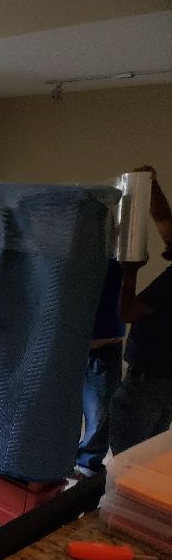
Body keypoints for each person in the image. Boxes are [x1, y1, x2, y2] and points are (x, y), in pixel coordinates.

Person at [111, 166, 172, 454]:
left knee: (127, 456)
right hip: (166, 380)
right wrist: (152, 187)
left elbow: (128, 312)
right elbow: (166, 222)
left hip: (148, 380)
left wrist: (131, 271)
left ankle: (116, 497)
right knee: (148, 451)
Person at [74, 258, 124, 477]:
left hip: (105, 345)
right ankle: (60, 458)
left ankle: (88, 461)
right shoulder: (73, 251)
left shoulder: (120, 253)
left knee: (100, 412)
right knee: (63, 409)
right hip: (71, 343)